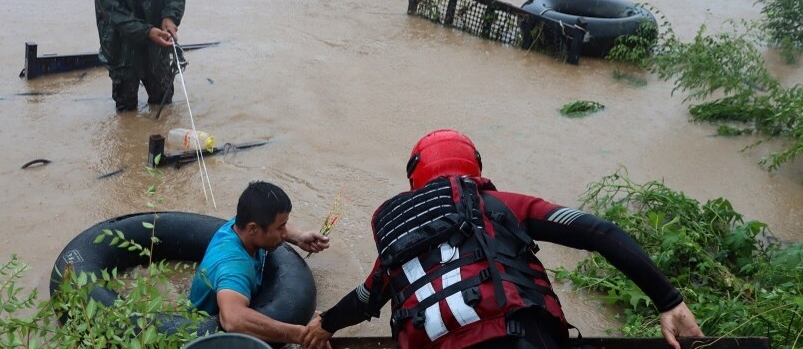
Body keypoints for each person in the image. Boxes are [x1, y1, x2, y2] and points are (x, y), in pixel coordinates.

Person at [301, 129, 704, 349]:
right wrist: (668, 300)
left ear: (415, 178)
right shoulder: (503, 205)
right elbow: (599, 232)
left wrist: (327, 324)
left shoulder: (400, 237)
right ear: (474, 167)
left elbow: (366, 298)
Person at [190, 181, 331, 345]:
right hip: (201, 331)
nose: (285, 233)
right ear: (252, 229)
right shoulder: (233, 266)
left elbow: (267, 223)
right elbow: (232, 319)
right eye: (281, 227)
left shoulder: (242, 226)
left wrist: (299, 237)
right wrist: (301, 334)